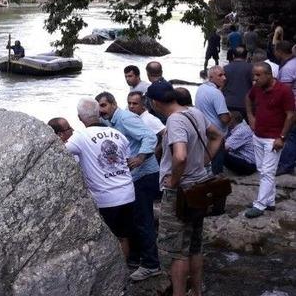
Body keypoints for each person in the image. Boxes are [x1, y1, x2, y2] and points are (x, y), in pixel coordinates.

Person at [147, 80, 224, 296]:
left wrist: (173, 181)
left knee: (177, 252)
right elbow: (217, 135)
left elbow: (180, 156)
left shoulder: (174, 121)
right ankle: (196, 292)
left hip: (181, 192)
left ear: (154, 103)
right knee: (195, 246)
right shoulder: (194, 112)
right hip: (200, 187)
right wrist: (205, 160)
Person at [95, 92, 161, 280]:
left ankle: (151, 264)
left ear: (114, 104)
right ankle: (136, 257)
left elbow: (150, 137)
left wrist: (140, 157)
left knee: (143, 220)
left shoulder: (125, 118)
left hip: (145, 174)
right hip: (133, 177)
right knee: (134, 219)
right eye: (99, 107)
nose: (101, 110)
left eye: (104, 105)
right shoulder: (109, 120)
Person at [62, 98, 136, 264]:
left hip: (106, 199)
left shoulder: (80, 136)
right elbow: (127, 160)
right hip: (127, 193)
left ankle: (112, 277)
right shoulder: (117, 134)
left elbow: (61, 152)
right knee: (123, 237)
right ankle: (123, 273)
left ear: (80, 118)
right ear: (98, 113)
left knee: (107, 239)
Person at [244, 62, 296, 218]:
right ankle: (270, 201)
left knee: (267, 171)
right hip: (258, 135)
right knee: (262, 170)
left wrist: (282, 137)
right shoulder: (257, 88)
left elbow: (291, 115)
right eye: (254, 75)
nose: (255, 78)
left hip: (273, 139)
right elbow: (248, 98)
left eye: (258, 75)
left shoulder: (284, 91)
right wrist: (250, 116)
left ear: (269, 75)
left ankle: (259, 205)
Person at [196, 66, 231, 174]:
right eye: (220, 75)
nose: (224, 78)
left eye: (224, 74)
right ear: (211, 78)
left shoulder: (201, 88)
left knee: (205, 162)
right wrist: (230, 115)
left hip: (203, 131)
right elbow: (224, 119)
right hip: (216, 135)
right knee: (216, 166)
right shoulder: (216, 93)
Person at [273, 41, 296, 175]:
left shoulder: (288, 68)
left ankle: (285, 164)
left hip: (293, 106)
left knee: (290, 134)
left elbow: (285, 92)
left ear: (279, 51)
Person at [223, 111, 257, 175]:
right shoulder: (244, 128)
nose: (224, 120)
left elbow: (225, 147)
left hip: (249, 165)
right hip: (250, 162)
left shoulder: (241, 131)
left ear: (233, 120)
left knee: (220, 153)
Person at [222, 46, 254, 116]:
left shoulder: (225, 68)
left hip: (228, 103)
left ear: (233, 56)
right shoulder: (251, 68)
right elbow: (255, 85)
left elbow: (222, 86)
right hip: (245, 104)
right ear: (246, 56)